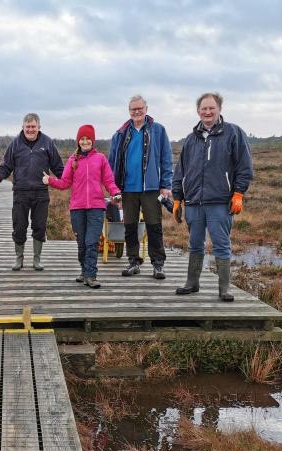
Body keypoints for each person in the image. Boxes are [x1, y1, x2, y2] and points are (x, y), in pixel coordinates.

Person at [172, 92, 254, 302]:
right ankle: (192, 283)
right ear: (198, 111)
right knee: (195, 243)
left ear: (219, 109)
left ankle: (224, 288)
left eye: (211, 108)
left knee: (221, 244)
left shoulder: (233, 133)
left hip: (219, 202)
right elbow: (180, 171)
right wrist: (177, 198)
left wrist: (238, 193)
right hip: (194, 202)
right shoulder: (191, 139)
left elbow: (244, 167)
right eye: (203, 109)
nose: (207, 112)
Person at [43, 125, 121, 288]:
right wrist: (50, 180)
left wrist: (115, 192)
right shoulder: (73, 160)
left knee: (91, 241)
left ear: (93, 141)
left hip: (96, 207)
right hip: (77, 207)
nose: (85, 141)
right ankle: (84, 271)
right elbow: (65, 183)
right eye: (82, 139)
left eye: (88, 139)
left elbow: (109, 181)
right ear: (78, 141)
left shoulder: (100, 158)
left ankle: (91, 275)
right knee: (82, 243)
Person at [108, 94, 173, 279]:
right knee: (129, 226)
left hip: (151, 188)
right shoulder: (120, 134)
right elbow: (112, 163)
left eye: (140, 108)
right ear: (129, 111)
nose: (136, 112)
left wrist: (165, 185)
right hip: (127, 189)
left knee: (154, 226)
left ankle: (158, 264)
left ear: (146, 109)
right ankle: (133, 262)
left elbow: (166, 160)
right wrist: (114, 189)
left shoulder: (158, 130)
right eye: (133, 109)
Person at [0, 113, 64, 271]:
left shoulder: (48, 143)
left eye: (33, 126)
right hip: (21, 192)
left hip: (41, 192)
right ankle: (19, 258)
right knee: (19, 226)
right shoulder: (15, 144)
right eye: (27, 127)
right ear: (23, 127)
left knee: (40, 226)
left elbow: (58, 167)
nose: (30, 129)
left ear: (39, 127)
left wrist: (69, 179)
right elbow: (6, 165)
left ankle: (37, 259)